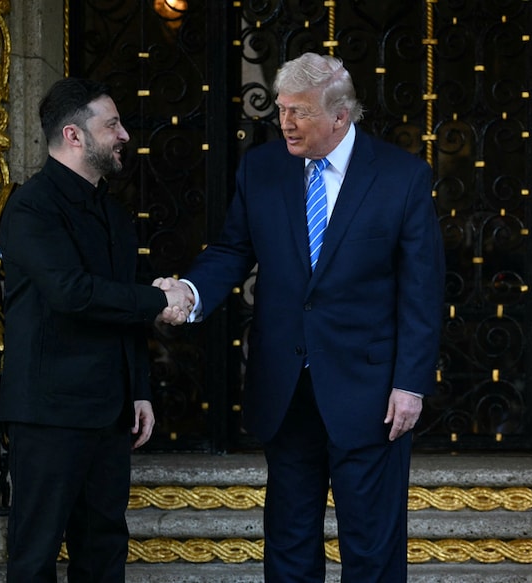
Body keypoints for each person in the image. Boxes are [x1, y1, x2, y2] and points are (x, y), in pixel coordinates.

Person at [161, 52, 445, 581]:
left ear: (340, 116)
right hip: (285, 391)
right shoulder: (262, 167)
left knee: (372, 550)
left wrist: (411, 383)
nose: (285, 123)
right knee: (289, 545)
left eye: (299, 112)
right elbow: (231, 250)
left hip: (370, 393)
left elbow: (422, 290)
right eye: (281, 109)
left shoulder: (402, 177)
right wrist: (191, 291)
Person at [0, 77, 192, 582]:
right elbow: (72, 293)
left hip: (108, 412)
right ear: (74, 136)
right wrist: (159, 299)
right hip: (48, 413)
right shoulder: (30, 208)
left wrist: (140, 391)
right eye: (112, 125)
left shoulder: (114, 215)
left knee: (104, 548)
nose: (124, 134)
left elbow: (120, 311)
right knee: (36, 554)